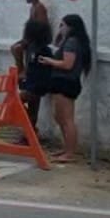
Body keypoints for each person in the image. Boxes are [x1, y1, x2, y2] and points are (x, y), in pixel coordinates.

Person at [39, 14, 91, 163]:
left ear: (71, 27)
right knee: (59, 117)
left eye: (62, 25)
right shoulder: (72, 41)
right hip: (63, 82)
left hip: (66, 82)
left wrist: (49, 61)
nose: (60, 28)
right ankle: (66, 148)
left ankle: (70, 152)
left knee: (67, 119)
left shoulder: (72, 42)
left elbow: (67, 64)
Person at [19, 20, 53, 141]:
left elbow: (43, 69)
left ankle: (29, 132)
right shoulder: (32, 47)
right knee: (33, 110)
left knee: (17, 101)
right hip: (32, 82)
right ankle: (30, 135)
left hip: (38, 84)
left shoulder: (43, 50)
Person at [11, 0, 50, 77]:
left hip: (37, 39)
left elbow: (41, 27)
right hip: (30, 37)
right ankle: (20, 70)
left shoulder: (40, 7)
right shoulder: (33, 7)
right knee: (14, 48)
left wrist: (27, 40)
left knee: (17, 48)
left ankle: (24, 71)